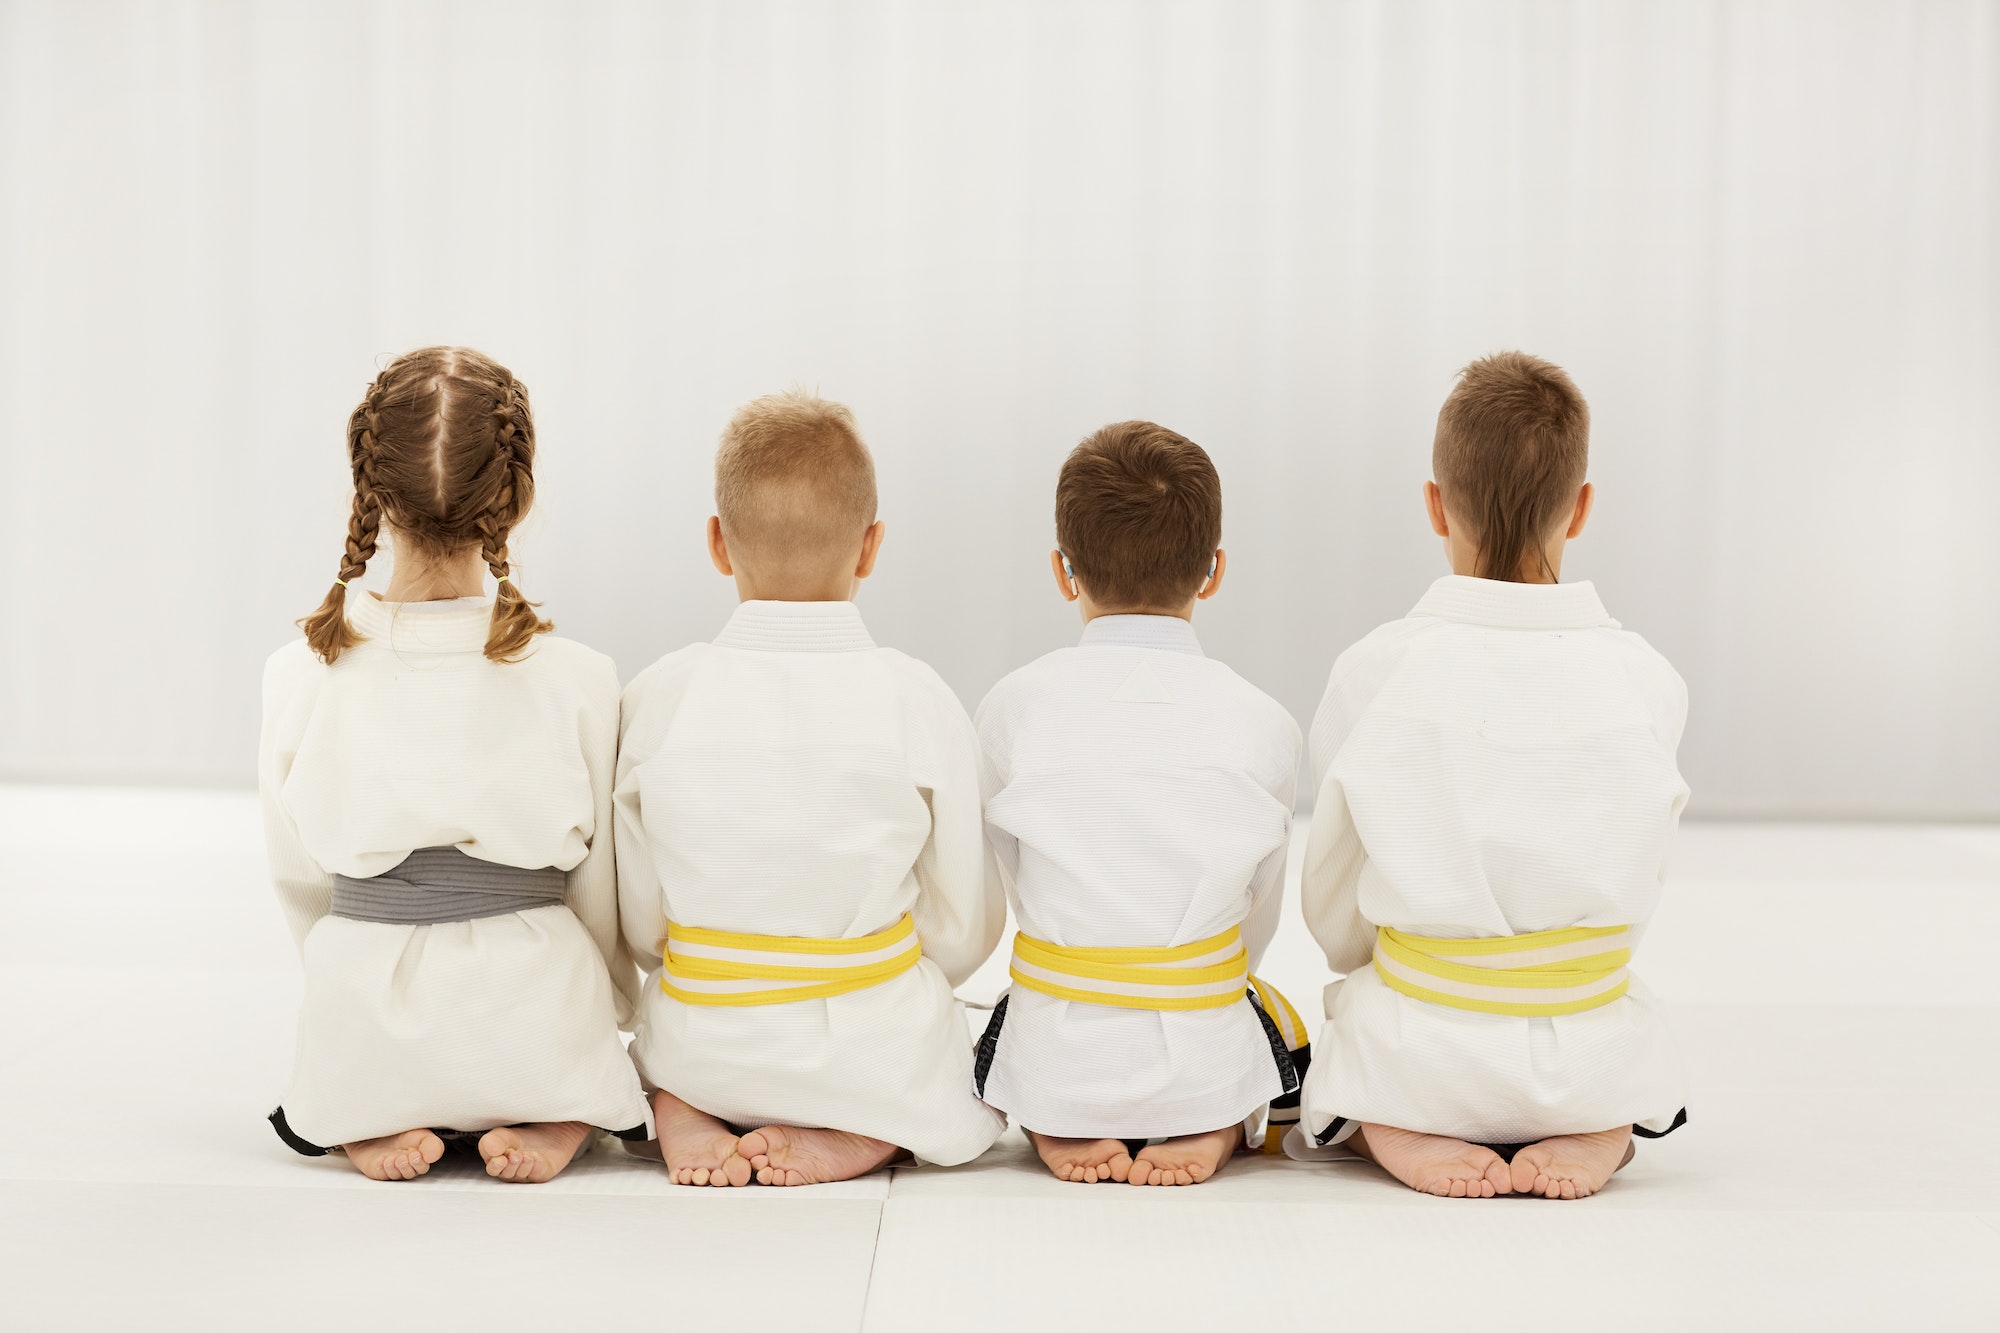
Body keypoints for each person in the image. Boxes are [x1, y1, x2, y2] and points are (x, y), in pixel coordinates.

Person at [1289, 351, 1689, 1199]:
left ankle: (1390, 1121)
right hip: (1587, 1032)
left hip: (1423, 1038)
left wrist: (1383, 957)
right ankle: (1598, 1119)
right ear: (1580, 510)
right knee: (1612, 1027)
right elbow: (1642, 868)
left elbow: (1333, 886)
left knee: (1365, 1044)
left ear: (1434, 504)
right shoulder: (1647, 678)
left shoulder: (1376, 669)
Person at [260, 346, 650, 1182]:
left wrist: (354, 971)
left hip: (366, 992)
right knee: (562, 1025)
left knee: (350, 1043)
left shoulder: (299, 672)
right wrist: (608, 1003)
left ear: (369, 493)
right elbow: (601, 892)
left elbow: (299, 884)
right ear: (518, 496)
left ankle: (368, 1107)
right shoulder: (578, 677)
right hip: (533, 1003)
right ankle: (556, 1106)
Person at [616, 390, 1006, 1187]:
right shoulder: (916, 696)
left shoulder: (659, 695)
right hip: (866, 1044)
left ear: (719, 544)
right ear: (871, 547)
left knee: (673, 1046)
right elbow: (967, 921)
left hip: (705, 1028)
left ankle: (685, 1101)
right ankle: (871, 1127)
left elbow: (639, 916)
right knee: (931, 1055)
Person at [974, 421, 1306, 1187]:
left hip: (1061, 1042)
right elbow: (1258, 912)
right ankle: (1211, 1111)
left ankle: (1059, 1113)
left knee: (1022, 1020)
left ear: (1064, 571)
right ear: (1213, 571)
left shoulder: (1012, 707)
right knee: (1236, 1002)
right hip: (1201, 1029)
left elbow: (1009, 875)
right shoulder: (1262, 719)